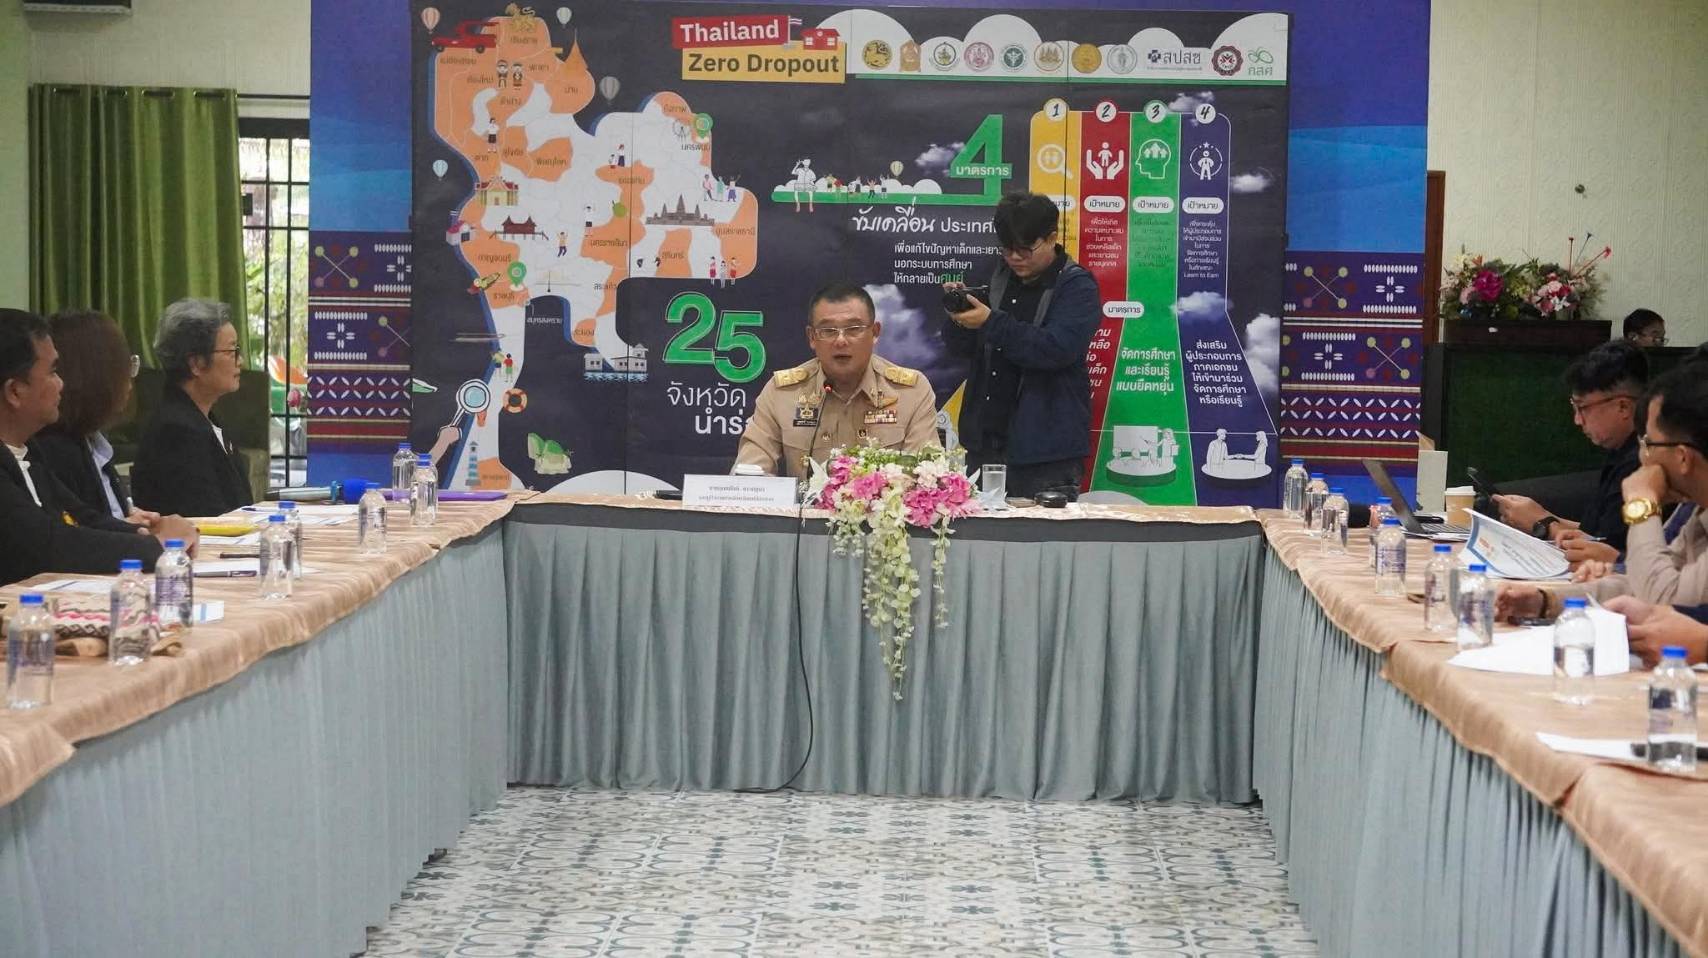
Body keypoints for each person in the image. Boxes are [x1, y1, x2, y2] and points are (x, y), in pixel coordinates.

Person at [0, 308, 197, 586]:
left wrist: (145, 534)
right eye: (53, 372)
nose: (61, 384)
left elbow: (83, 517)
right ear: (15, 391)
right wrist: (156, 545)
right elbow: (48, 543)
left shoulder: (30, 451)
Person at [1498, 362, 1708, 617]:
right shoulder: (1695, 510)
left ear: (1683, 457)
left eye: (1648, 443)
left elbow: (1662, 599)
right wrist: (1544, 601)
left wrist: (1641, 503)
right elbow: (1637, 584)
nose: (1643, 457)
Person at [941, 192, 1100, 500]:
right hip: (984, 446)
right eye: (1006, 248)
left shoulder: (1077, 286)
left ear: (1052, 237)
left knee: (1043, 532)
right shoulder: (996, 276)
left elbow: (1056, 349)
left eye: (1025, 249)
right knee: (979, 530)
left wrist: (990, 321)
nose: (1014, 257)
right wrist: (959, 319)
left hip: (1046, 457)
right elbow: (961, 350)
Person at [735, 282, 937, 478]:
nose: (841, 340)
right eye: (828, 331)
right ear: (812, 337)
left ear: (875, 333)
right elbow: (749, 475)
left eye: (853, 328)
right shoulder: (783, 393)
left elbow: (926, 479)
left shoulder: (911, 392)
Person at [1493, 340, 1645, 559]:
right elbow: (1596, 533)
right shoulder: (1620, 452)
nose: (1577, 420)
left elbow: (1610, 553)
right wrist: (1540, 516)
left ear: (1623, 407)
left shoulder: (1642, 460)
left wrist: (1543, 525)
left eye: (1582, 408)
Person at [131, 298, 255, 517]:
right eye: (231, 352)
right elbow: (207, 516)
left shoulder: (204, 419)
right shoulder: (176, 431)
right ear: (196, 363)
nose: (240, 361)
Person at [33, 310, 151, 523]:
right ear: (96, 374)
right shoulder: (55, 450)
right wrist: (128, 529)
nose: (130, 379)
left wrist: (130, 516)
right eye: (123, 365)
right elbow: (77, 531)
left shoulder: (90, 439)